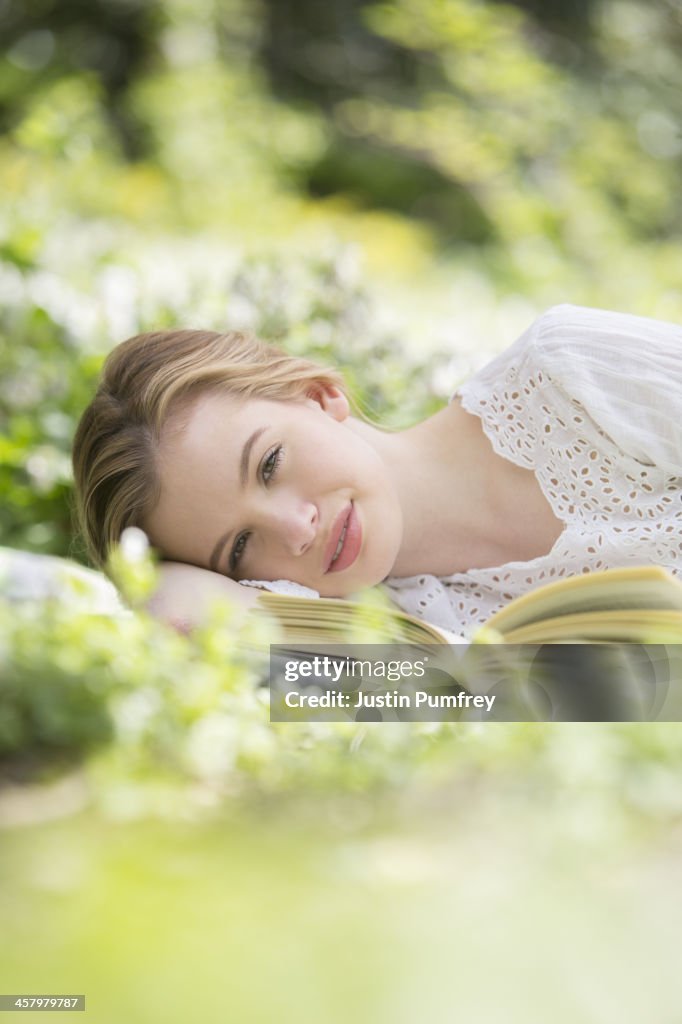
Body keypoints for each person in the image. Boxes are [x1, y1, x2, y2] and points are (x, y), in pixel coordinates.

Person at [72, 304, 682, 639]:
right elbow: (193, 627)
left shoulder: (569, 376)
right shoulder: (391, 635)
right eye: (238, 548)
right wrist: (167, 588)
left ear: (316, 394)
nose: (296, 530)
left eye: (269, 464)